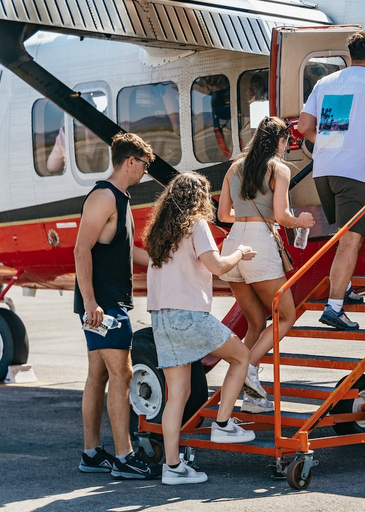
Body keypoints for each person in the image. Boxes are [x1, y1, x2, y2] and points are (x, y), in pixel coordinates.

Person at [144, 172, 259, 485]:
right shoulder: (197, 225)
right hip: (189, 316)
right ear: (199, 198)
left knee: (176, 396)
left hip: (161, 318)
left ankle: (173, 467)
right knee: (241, 356)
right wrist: (242, 253)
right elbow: (218, 266)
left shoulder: (159, 232)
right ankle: (222, 424)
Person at [298, 30, 365, 330]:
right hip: (354, 174)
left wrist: (325, 143)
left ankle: (342, 288)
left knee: (342, 235)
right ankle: (334, 308)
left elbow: (305, 125)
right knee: (351, 240)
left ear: (350, 55)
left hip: (324, 170)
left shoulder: (326, 82)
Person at [73, 132, 160, 479]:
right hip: (104, 303)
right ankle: (124, 457)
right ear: (129, 162)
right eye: (144, 164)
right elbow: (81, 249)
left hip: (106, 300)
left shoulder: (120, 198)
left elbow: (124, 252)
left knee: (98, 374)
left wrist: (160, 260)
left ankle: (92, 453)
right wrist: (91, 301)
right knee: (122, 374)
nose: (145, 171)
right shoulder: (103, 197)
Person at [217, 117, 315, 413]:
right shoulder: (279, 169)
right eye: (287, 141)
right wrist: (302, 221)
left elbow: (223, 214)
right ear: (280, 141)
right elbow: (282, 216)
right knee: (286, 315)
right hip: (259, 245)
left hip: (233, 245)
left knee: (256, 322)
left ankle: (251, 396)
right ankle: (247, 366)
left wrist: (247, 218)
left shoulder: (234, 167)